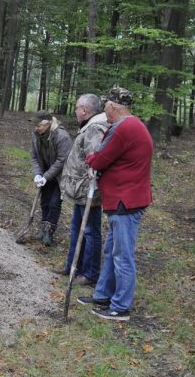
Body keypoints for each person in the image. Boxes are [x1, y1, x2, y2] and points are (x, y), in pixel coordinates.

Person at [77, 87, 153, 321]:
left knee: (122, 254)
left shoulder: (125, 128)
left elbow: (100, 158)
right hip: (121, 199)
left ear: (112, 106)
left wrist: (92, 161)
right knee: (111, 251)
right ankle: (103, 295)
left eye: (106, 106)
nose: (104, 111)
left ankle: (120, 306)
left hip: (125, 201)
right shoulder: (129, 125)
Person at [58, 93, 109, 285]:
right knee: (77, 228)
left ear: (85, 110)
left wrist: (91, 176)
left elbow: (95, 158)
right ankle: (73, 266)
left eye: (77, 107)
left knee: (89, 230)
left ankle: (90, 273)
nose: (75, 111)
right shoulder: (89, 126)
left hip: (89, 189)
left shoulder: (95, 128)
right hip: (80, 189)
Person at [29, 109, 71, 246]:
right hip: (45, 172)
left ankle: (49, 232)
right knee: (45, 202)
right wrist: (37, 174)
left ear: (47, 123)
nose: (36, 128)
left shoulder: (61, 136)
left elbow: (62, 160)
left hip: (61, 175)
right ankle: (43, 228)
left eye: (38, 125)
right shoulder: (36, 135)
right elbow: (34, 156)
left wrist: (46, 176)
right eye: (35, 125)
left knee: (54, 203)